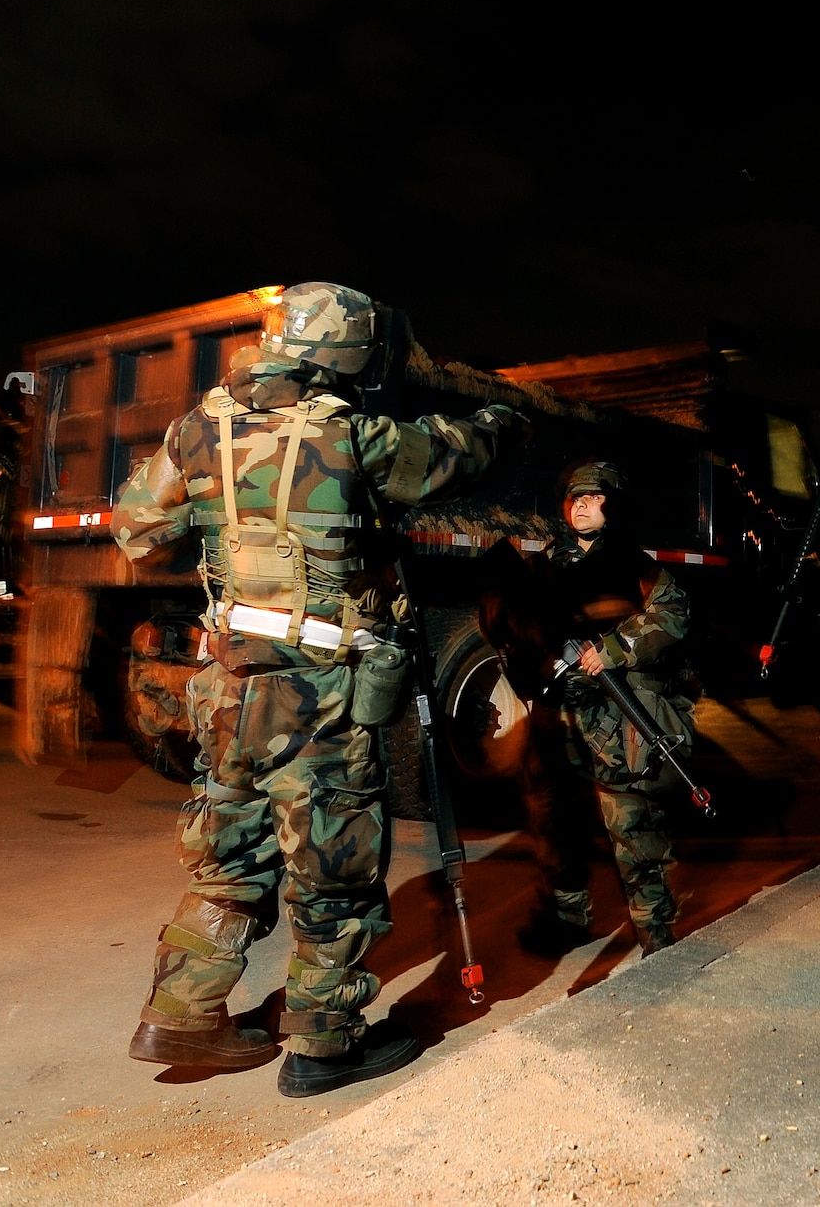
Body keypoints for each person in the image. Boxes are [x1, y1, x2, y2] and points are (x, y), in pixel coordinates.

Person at [115, 282, 522, 1098]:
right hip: (320, 685)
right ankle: (326, 1043)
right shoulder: (352, 437)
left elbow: (136, 532)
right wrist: (498, 421)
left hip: (229, 685)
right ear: (346, 355)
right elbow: (450, 456)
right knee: (332, 864)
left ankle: (183, 1013)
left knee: (231, 851)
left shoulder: (198, 429)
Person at [499, 461, 696, 958]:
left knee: (632, 825)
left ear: (616, 505)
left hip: (615, 715)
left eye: (594, 497)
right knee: (556, 819)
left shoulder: (636, 566)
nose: (581, 505)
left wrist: (615, 647)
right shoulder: (545, 565)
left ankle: (655, 930)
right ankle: (569, 919)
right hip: (558, 714)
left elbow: (673, 618)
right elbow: (519, 628)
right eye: (575, 498)